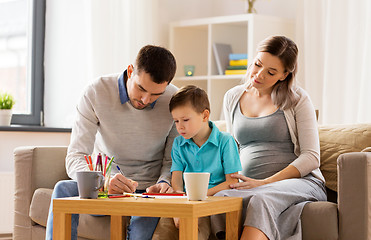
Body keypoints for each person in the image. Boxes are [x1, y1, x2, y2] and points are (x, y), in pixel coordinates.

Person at [45, 45, 178, 240]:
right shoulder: (96, 91)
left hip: (148, 191)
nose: (145, 99)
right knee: (62, 189)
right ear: (131, 71)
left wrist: (164, 182)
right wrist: (103, 181)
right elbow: (75, 156)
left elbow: (172, 159)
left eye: (156, 94)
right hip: (103, 186)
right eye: (141, 88)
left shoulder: (174, 99)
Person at [211, 36, 327, 240]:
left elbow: (311, 157)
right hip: (250, 184)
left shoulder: (298, 99)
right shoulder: (232, 97)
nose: (259, 75)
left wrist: (264, 182)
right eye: (257, 64)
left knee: (261, 199)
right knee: (218, 199)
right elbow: (232, 149)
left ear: (284, 75)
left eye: (271, 72)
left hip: (300, 182)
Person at [152, 85, 242, 240]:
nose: (180, 126)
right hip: (185, 201)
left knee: (194, 230)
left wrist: (198, 197)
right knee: (162, 232)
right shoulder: (179, 143)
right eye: (176, 121)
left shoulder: (225, 141)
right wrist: (179, 208)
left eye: (185, 120)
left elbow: (232, 182)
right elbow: (177, 179)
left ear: (205, 115)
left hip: (211, 203)